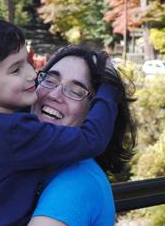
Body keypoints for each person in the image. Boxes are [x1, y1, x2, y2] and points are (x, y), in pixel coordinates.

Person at [0, 16, 120, 225]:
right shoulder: (13, 132)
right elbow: (91, 139)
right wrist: (110, 88)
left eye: (76, 91)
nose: (32, 75)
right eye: (16, 70)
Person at [28, 45, 137, 226]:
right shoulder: (30, 162)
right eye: (50, 80)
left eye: (76, 91)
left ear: (97, 115)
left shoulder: (77, 182)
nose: (54, 95)